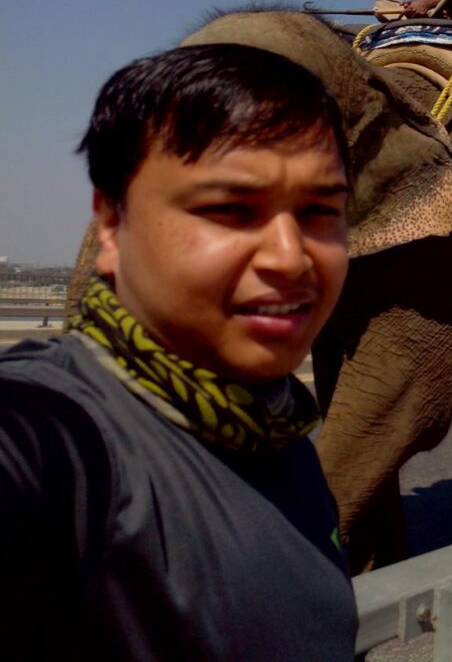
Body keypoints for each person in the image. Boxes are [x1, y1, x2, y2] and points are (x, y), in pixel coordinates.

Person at [0, 45, 358, 660]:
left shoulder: (276, 433)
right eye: (228, 209)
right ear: (111, 225)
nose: (291, 258)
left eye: (320, 212)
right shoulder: (64, 441)